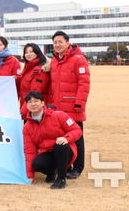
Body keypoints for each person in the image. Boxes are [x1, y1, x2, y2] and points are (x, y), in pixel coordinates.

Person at [47, 31, 90, 179]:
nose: (57, 45)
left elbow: (84, 83)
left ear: (67, 43)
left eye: (60, 42)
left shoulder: (78, 59)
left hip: (73, 107)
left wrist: (79, 104)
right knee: (60, 138)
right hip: (57, 108)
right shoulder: (54, 61)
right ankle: (66, 166)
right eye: (55, 42)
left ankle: (78, 167)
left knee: (76, 138)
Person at [22, 91, 82, 189]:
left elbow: (77, 130)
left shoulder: (59, 115)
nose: (33, 104)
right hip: (47, 152)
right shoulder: (27, 127)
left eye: (36, 101)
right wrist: (30, 176)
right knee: (36, 164)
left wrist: (66, 138)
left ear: (42, 103)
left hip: (65, 150)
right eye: (29, 102)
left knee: (59, 145)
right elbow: (29, 152)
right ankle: (51, 173)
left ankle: (61, 179)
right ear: (26, 105)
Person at [18, 43, 50, 117]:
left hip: (35, 110)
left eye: (31, 52)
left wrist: (23, 111)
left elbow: (35, 92)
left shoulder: (39, 70)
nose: (28, 54)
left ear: (37, 53)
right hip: (29, 108)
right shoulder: (28, 68)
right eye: (26, 52)